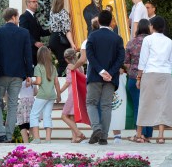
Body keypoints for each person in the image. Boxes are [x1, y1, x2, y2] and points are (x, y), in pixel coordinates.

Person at [0, 8, 33, 143]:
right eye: (18, 17)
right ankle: (8, 136)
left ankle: (1, 134)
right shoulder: (24, 33)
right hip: (18, 75)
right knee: (13, 105)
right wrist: (28, 74)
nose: (19, 19)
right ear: (14, 17)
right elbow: (28, 54)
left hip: (1, 74)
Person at [85, 10, 125, 145]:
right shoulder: (117, 38)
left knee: (91, 103)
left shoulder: (92, 36)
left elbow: (90, 55)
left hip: (95, 76)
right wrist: (110, 72)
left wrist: (101, 71)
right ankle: (104, 137)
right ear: (111, 21)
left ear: (99, 21)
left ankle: (96, 128)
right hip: (110, 78)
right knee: (106, 106)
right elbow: (121, 58)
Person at [135, 16, 172, 144]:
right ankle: (161, 135)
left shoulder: (148, 39)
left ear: (152, 26)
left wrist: (139, 77)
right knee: (163, 103)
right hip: (165, 74)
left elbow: (143, 61)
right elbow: (171, 62)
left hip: (150, 72)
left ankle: (139, 134)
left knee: (145, 102)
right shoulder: (170, 41)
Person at [125, 19, 154, 141]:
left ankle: (139, 134)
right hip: (150, 77)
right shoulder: (153, 42)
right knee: (149, 106)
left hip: (133, 77)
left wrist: (131, 71)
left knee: (138, 106)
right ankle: (147, 135)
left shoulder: (131, 42)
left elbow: (126, 63)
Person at [30, 46, 61, 144]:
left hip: (42, 95)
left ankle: (37, 139)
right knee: (47, 115)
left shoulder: (38, 67)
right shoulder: (53, 67)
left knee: (34, 114)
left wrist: (31, 82)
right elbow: (56, 82)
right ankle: (48, 140)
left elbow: (38, 81)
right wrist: (58, 95)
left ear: (38, 56)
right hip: (51, 95)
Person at [60, 48, 87, 143]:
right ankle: (74, 138)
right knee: (71, 116)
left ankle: (79, 134)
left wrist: (59, 91)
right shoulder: (81, 66)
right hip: (77, 93)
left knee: (63, 116)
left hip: (72, 93)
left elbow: (68, 81)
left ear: (66, 59)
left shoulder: (70, 66)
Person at [49, 0, 77, 75]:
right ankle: (57, 82)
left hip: (53, 38)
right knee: (64, 63)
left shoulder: (52, 11)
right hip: (60, 40)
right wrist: (72, 44)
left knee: (61, 62)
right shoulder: (63, 13)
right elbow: (67, 30)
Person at [20, 0, 50, 65]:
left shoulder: (34, 16)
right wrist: (34, 42)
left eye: (37, 2)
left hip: (36, 50)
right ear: (28, 3)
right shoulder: (24, 16)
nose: (36, 3)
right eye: (34, 2)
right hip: (30, 49)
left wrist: (51, 30)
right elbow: (24, 32)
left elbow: (41, 32)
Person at [16, 78, 37, 143]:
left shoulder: (19, 81)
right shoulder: (32, 80)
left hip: (22, 103)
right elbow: (35, 93)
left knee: (21, 123)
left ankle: (26, 142)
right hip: (32, 103)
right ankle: (35, 139)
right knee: (32, 122)